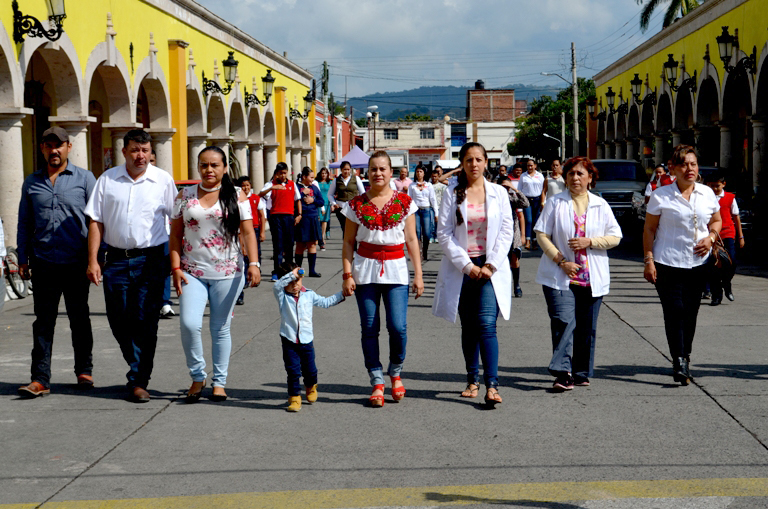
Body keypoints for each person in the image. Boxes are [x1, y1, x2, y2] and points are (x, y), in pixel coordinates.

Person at [84, 129, 177, 403]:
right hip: (115, 260)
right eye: (135, 150)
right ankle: (137, 366)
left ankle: (138, 380)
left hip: (151, 259)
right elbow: (96, 221)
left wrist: (178, 261)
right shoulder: (107, 179)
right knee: (118, 318)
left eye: (145, 150)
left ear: (151, 152)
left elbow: (178, 221)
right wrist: (92, 260)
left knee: (146, 320)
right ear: (124, 151)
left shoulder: (163, 180)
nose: (140, 156)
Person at [170, 147, 260, 402]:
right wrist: (175, 268)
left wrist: (254, 263)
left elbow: (248, 232)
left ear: (224, 168)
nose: (209, 170)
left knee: (220, 327)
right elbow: (175, 235)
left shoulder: (237, 195)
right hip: (192, 272)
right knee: (189, 324)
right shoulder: (185, 195)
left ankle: (219, 382)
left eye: (214, 165)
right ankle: (198, 376)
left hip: (228, 272)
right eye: (204, 165)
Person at [16, 126, 97, 398]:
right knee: (43, 322)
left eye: (59, 145)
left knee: (79, 318)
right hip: (43, 262)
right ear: (42, 148)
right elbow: (24, 222)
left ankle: (84, 371)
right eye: (49, 145)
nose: (54, 150)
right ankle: (40, 379)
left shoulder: (85, 179)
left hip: (76, 262)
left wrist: (95, 259)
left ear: (68, 147)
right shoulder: (31, 182)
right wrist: (23, 257)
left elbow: (95, 221)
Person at [432, 142, 514, 407]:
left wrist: (491, 265)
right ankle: (472, 379)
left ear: (486, 162)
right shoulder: (452, 192)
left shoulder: (498, 192)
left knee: (487, 325)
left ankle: (492, 385)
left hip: (490, 267)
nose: (474, 164)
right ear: (462, 165)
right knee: (469, 327)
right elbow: (444, 233)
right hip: (463, 267)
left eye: (479, 159)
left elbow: (506, 231)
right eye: (469, 160)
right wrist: (467, 266)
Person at [341, 150, 424, 407]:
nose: (378, 173)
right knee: (369, 327)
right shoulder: (355, 204)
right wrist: (347, 274)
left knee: (398, 327)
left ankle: (395, 372)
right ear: (367, 172)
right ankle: (377, 380)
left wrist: (418, 275)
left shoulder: (405, 202)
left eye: (382, 169)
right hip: (364, 270)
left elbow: (412, 240)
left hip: (396, 270)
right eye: (373, 169)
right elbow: (348, 242)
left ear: (391, 172)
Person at [534, 157, 622, 391]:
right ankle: (563, 372)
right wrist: (561, 261)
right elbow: (542, 235)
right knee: (563, 321)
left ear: (590, 178)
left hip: (591, 277)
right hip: (559, 274)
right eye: (571, 173)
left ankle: (581, 371)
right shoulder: (555, 202)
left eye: (580, 174)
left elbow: (616, 236)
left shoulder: (600, 205)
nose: (575, 178)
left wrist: (590, 241)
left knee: (586, 326)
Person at [643, 145, 722, 386]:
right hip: (667, 262)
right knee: (674, 311)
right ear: (673, 168)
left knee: (690, 312)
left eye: (693, 164)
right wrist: (648, 260)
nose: (689, 169)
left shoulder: (706, 193)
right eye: (684, 164)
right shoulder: (661, 195)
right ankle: (678, 359)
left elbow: (717, 220)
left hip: (698, 263)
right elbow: (649, 229)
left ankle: (685, 355)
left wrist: (710, 238)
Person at [273, 263, 345, 412]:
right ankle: (294, 397)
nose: (294, 285)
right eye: (290, 282)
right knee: (293, 371)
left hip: (306, 340)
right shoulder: (282, 296)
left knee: (310, 370)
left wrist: (342, 294)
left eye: (297, 281)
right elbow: (277, 285)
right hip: (289, 340)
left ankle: (311, 386)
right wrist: (293, 275)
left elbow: (325, 302)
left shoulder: (309, 294)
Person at [705, 171, 743, 306]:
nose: (714, 189)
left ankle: (726, 284)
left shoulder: (730, 198)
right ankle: (716, 295)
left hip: (727, 234)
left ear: (723, 184)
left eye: (717, 186)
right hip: (710, 235)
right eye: (711, 186)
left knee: (731, 262)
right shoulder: (704, 198)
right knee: (713, 266)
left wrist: (741, 236)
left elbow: (736, 217)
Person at [259, 162, 301, 282]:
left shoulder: (292, 184)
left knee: (289, 245)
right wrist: (272, 188)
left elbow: (298, 199)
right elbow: (260, 195)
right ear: (276, 173)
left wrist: (299, 214)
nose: (283, 175)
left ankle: (288, 271)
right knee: (278, 245)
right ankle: (276, 272)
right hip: (276, 217)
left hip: (289, 216)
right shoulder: (270, 184)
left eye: (285, 173)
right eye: (280, 173)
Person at [234, 176, 266, 307]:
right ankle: (240, 291)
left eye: (247, 185)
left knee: (254, 255)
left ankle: (253, 275)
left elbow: (262, 216)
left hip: (253, 230)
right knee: (241, 260)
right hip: (238, 234)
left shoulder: (255, 199)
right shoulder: (234, 200)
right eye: (243, 185)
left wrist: (262, 231)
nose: (246, 188)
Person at [153, 149, 175, 319]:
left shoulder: (163, 180)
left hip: (164, 236)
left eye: (152, 160)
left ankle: (164, 302)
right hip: (142, 241)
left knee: (164, 270)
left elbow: (175, 211)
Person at [499, 175, 529, 297]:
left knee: (514, 258)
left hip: (513, 229)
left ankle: (516, 285)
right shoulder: (495, 197)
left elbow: (525, 204)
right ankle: (502, 287)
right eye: (504, 186)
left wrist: (515, 189)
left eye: (508, 186)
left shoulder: (513, 196)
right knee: (500, 259)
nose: (506, 188)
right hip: (499, 230)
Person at [295, 167, 325, 277]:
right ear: (304, 177)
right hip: (302, 219)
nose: (313, 180)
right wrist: (302, 193)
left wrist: (313, 200)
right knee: (300, 244)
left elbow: (321, 201)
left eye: (313, 177)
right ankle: (298, 270)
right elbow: (293, 200)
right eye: (311, 177)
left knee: (312, 244)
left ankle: (312, 270)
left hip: (313, 218)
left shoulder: (314, 188)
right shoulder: (297, 187)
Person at [407, 166, 438, 262]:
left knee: (427, 233)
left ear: (424, 173)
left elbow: (433, 199)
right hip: (416, 211)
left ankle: (425, 251)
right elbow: (409, 199)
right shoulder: (412, 185)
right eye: (417, 171)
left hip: (426, 210)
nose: (419, 173)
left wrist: (436, 213)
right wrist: (408, 213)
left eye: (421, 171)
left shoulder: (429, 185)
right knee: (417, 232)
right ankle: (418, 252)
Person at [327, 161, 365, 238]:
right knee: (345, 228)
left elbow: (363, 193)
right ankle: (346, 244)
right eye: (345, 169)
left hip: (353, 208)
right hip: (341, 208)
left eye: (348, 169)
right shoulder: (336, 180)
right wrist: (334, 204)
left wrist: (360, 204)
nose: (346, 171)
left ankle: (353, 245)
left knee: (353, 229)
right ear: (341, 169)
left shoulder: (356, 179)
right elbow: (330, 194)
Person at [518, 159, 545, 249]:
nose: (530, 167)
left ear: (535, 166)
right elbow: (519, 189)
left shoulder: (540, 176)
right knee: (529, 220)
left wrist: (543, 202)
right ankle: (528, 240)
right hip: (527, 200)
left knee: (535, 221)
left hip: (537, 200)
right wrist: (520, 201)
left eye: (531, 165)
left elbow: (543, 190)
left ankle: (534, 240)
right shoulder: (523, 176)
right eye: (528, 165)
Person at [316, 167, 333, 249]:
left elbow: (332, 193)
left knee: (325, 221)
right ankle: (318, 237)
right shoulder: (316, 182)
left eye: (325, 173)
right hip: (318, 203)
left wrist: (332, 204)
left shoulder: (330, 182)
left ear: (327, 174)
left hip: (327, 203)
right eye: (322, 173)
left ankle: (322, 237)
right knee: (318, 220)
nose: (324, 175)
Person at [430, 166, 447, 244]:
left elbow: (444, 197)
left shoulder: (443, 186)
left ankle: (437, 236)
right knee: (431, 223)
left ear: (438, 177)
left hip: (440, 206)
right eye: (433, 176)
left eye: (435, 176)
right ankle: (431, 236)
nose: (434, 178)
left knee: (438, 222)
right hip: (431, 206)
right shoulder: (429, 185)